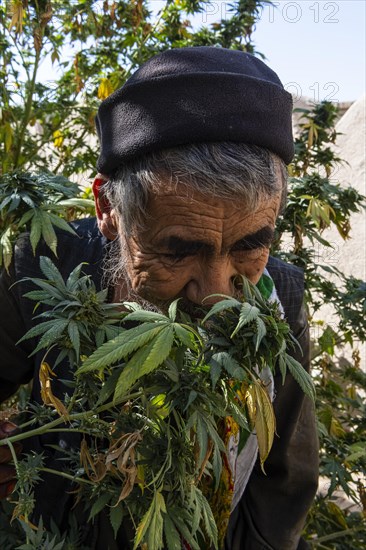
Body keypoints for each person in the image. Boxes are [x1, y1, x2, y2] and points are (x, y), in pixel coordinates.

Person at [0, 47, 318, 549]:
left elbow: (283, 485)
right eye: (178, 251)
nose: (214, 293)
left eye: (249, 245)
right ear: (108, 208)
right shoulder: (42, 262)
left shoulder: (284, 298)